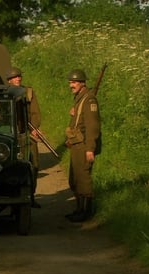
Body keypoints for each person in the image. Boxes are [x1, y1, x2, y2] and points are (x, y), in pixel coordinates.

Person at [64, 69, 101, 223]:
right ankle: (79, 209)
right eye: (70, 82)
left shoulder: (89, 100)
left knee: (83, 179)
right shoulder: (80, 98)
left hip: (84, 145)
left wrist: (90, 149)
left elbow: (93, 127)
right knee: (75, 179)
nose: (71, 85)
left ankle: (86, 212)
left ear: (82, 83)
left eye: (74, 82)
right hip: (76, 145)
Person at [7, 67, 42, 208]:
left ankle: (31, 197)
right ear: (8, 80)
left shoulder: (28, 92)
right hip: (10, 135)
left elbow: (35, 113)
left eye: (19, 76)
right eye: (15, 77)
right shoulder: (3, 93)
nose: (18, 79)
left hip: (26, 133)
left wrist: (33, 128)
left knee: (34, 165)